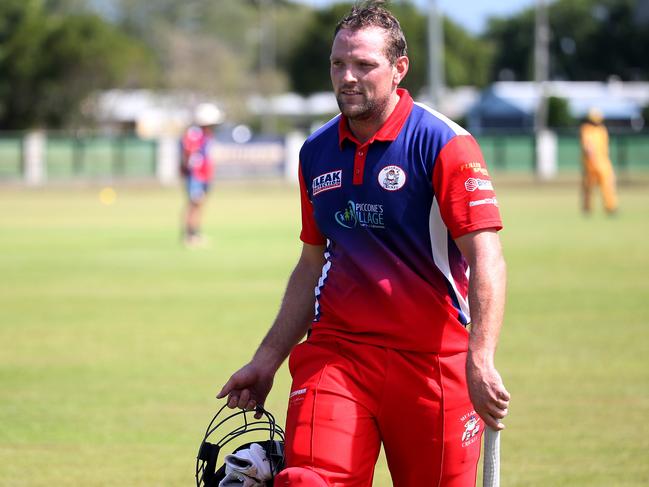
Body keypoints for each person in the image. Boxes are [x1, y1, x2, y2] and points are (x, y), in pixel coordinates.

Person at [218, 2, 510, 485]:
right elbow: (312, 263)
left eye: (363, 65)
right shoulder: (315, 151)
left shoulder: (444, 143)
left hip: (432, 365)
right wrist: (267, 359)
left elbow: (487, 257)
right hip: (340, 355)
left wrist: (480, 357)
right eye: (338, 64)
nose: (347, 77)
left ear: (399, 69)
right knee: (306, 480)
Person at [181, 102, 223, 246]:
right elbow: (188, 154)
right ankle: (189, 235)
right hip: (196, 175)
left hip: (205, 176)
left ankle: (195, 233)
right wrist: (190, 169)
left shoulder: (208, 135)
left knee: (200, 205)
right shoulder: (194, 133)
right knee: (194, 204)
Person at [580, 107, 618, 215]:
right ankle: (587, 208)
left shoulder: (602, 130)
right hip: (591, 164)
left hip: (603, 162)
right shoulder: (586, 129)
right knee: (588, 187)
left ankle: (610, 207)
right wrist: (591, 158)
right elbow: (588, 146)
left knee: (607, 185)